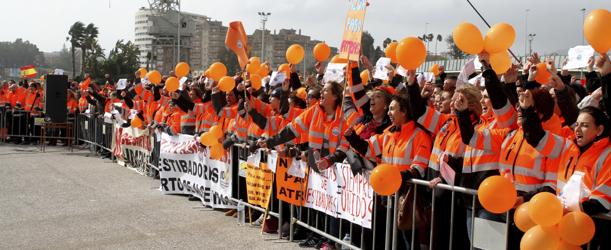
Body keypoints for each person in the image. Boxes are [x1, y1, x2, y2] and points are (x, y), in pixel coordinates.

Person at [344, 93, 432, 250]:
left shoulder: (420, 136)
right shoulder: (388, 133)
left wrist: (397, 178)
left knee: (407, 241)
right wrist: (352, 138)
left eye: (392, 109)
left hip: (407, 199)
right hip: (388, 196)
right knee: (390, 239)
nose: (389, 113)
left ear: (404, 111)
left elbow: (419, 168)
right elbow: (368, 149)